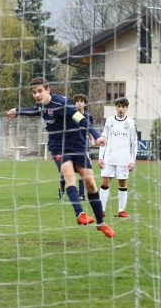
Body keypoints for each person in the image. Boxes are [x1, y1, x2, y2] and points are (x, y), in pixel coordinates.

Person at [7, 77, 115, 238]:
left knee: (91, 185)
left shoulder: (63, 104)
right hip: (58, 147)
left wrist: (96, 136)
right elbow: (34, 110)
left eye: (40, 91)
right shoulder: (40, 106)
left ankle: (100, 223)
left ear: (48, 90)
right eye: (34, 92)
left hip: (77, 145)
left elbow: (82, 119)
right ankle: (80, 214)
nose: (37, 95)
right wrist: (18, 110)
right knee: (69, 177)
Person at [98, 97, 137, 218]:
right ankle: (101, 210)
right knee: (104, 184)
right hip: (109, 158)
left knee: (122, 184)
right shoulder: (109, 121)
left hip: (124, 160)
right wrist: (100, 157)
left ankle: (121, 211)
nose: (121, 109)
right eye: (118, 106)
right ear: (115, 107)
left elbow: (134, 144)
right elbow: (103, 140)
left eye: (123, 107)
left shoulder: (130, 123)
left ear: (127, 108)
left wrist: (132, 161)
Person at [55, 93, 95, 201]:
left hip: (82, 147)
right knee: (66, 171)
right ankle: (61, 191)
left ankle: (81, 194)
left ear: (85, 104)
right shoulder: (70, 115)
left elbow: (90, 128)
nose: (79, 103)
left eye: (81, 101)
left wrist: (92, 139)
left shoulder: (88, 117)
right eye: (77, 101)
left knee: (83, 170)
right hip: (68, 146)